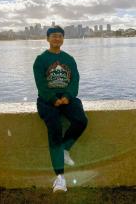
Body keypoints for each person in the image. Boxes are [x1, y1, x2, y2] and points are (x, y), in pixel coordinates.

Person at [33, 25, 88, 193]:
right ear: (47, 39)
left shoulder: (69, 59)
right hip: (47, 101)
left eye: (60, 36)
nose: (57, 38)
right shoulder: (40, 60)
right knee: (55, 129)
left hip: (67, 98)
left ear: (63, 39)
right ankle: (60, 178)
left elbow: (75, 81)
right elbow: (41, 84)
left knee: (81, 121)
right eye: (53, 36)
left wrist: (68, 96)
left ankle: (64, 149)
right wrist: (53, 99)